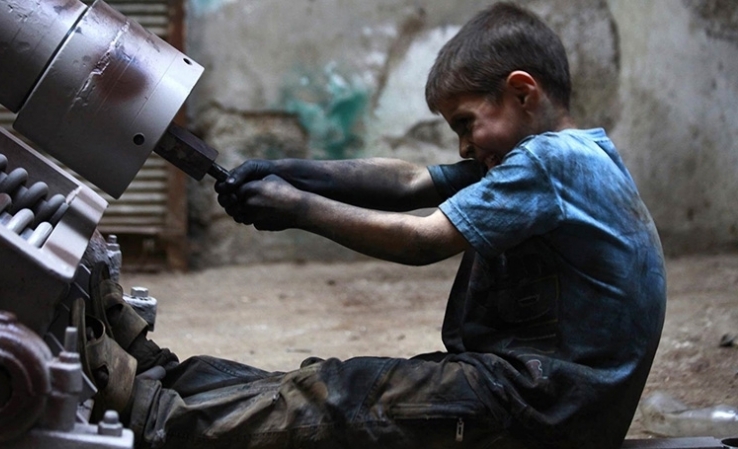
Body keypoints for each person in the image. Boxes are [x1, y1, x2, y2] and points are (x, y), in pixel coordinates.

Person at [82, 2, 666, 448]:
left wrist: (297, 209)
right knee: (332, 382)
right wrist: (293, 172)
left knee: (342, 399)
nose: (464, 146)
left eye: (466, 123)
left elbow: (422, 239)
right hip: (536, 393)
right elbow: (410, 181)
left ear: (521, 93)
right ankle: (165, 378)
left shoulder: (547, 161)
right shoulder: (566, 158)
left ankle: (150, 414)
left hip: (542, 408)